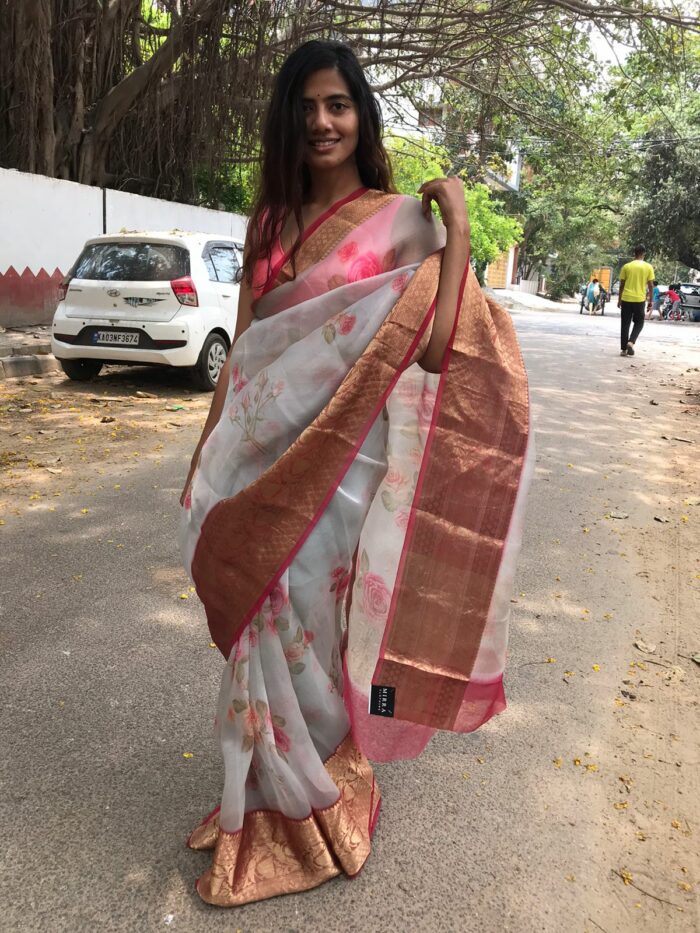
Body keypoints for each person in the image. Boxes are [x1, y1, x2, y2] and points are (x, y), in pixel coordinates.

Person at [178, 40, 531, 908]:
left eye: (337, 106)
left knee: (310, 623)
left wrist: (458, 241)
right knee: (262, 618)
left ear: (362, 117)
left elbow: (442, 348)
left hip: (342, 460)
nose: (321, 123)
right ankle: (262, 792)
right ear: (287, 124)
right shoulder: (269, 224)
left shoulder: (397, 222)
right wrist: (207, 445)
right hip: (254, 457)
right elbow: (245, 351)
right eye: (305, 109)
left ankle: (316, 796)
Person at [617, 245, 654, 356]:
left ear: (634, 253)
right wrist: (650, 301)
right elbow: (651, 285)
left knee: (625, 323)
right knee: (639, 322)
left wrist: (619, 299)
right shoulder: (648, 267)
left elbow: (622, 285)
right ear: (644, 254)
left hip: (626, 298)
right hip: (639, 299)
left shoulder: (626, 266)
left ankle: (623, 349)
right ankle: (631, 342)